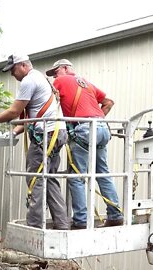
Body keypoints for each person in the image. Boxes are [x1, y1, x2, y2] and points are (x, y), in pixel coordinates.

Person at [0, 54, 69, 230]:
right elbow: (34, 117)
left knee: (35, 180)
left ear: (23, 66)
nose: (12, 74)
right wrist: (13, 132)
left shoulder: (29, 80)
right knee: (49, 179)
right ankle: (62, 223)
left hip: (45, 136)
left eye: (13, 70)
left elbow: (14, 112)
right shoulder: (41, 78)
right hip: (57, 132)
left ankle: (34, 226)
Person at [45, 59, 123, 229]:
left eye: (56, 72)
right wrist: (97, 120)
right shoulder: (86, 83)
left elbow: (48, 102)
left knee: (77, 177)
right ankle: (115, 215)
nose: (54, 77)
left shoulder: (60, 81)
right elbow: (109, 102)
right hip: (102, 128)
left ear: (65, 69)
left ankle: (80, 220)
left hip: (84, 130)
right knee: (103, 173)